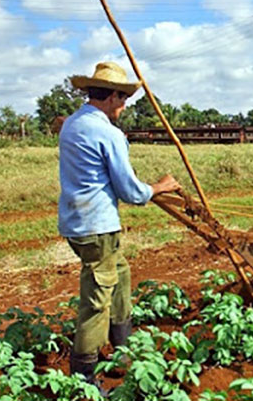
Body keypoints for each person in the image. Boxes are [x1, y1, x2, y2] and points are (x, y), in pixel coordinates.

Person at [59, 61, 180, 394]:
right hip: (96, 226)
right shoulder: (107, 133)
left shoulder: (72, 123)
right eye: (123, 98)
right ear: (111, 97)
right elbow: (130, 191)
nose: (125, 106)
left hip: (75, 222)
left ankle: (123, 348)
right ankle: (84, 379)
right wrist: (159, 187)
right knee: (97, 298)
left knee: (120, 273)